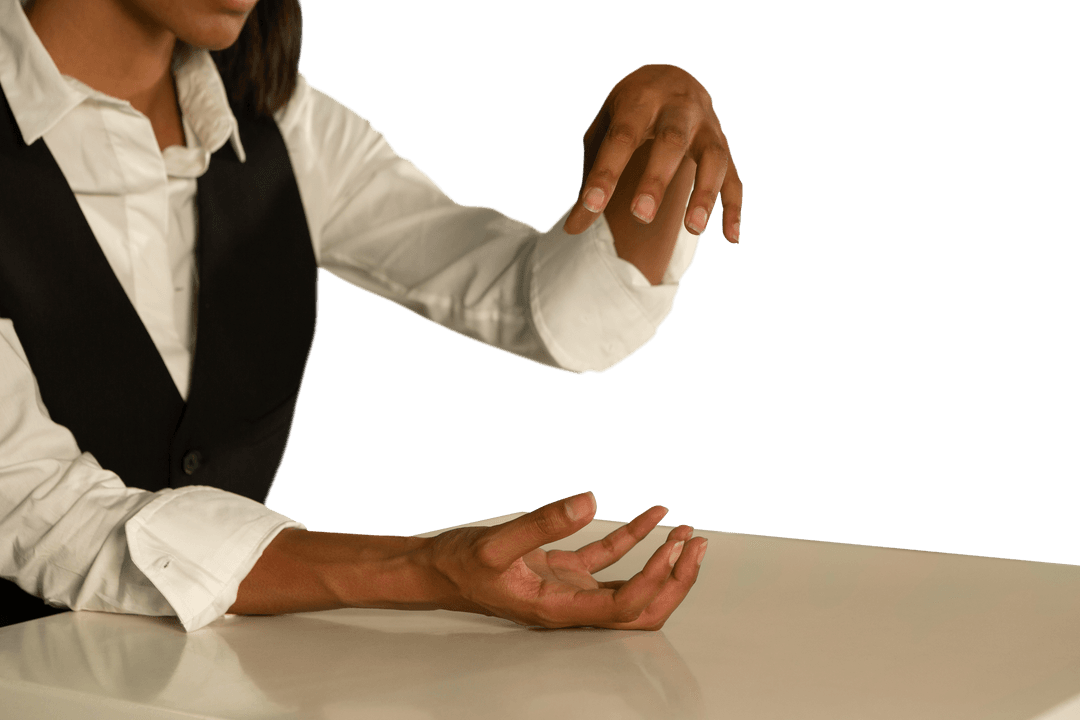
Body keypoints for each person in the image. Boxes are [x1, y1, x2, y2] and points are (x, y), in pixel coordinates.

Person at [0, 0, 742, 631]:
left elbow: (543, 307)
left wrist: (658, 155)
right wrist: (422, 571)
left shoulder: (277, 119)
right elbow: (35, 505)